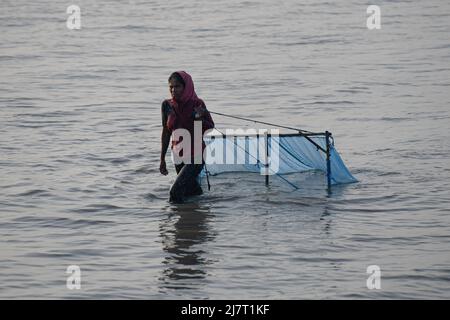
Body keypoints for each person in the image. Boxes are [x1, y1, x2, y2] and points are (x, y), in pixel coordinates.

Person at [159, 71, 215, 203]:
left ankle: (180, 221)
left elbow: (210, 127)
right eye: (171, 87)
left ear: (186, 87)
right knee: (191, 191)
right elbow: (166, 132)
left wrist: (200, 117)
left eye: (177, 86)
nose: (173, 90)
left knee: (175, 192)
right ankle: (200, 213)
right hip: (179, 155)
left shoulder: (197, 103)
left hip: (196, 156)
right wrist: (162, 159)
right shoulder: (167, 105)